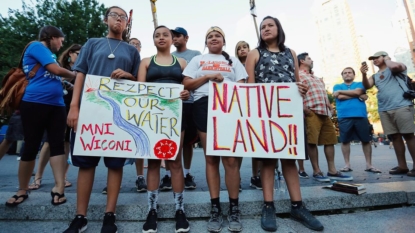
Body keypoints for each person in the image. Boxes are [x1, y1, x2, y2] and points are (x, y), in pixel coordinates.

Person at [64, 6, 140, 233]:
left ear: (127, 23)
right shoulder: (92, 43)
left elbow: (138, 84)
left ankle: (110, 215)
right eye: (115, 15)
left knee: (115, 165)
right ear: (106, 19)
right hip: (90, 111)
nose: (119, 19)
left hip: (118, 114)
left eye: (123, 17)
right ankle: (80, 216)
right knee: (86, 165)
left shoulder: (132, 51)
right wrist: (74, 106)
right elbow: (80, 75)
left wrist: (129, 75)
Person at [245, 16, 323, 232]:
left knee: (290, 159)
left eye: (270, 25)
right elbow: (250, 84)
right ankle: (268, 205)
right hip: (265, 112)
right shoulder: (255, 53)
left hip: (290, 113)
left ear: (279, 29)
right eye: (262, 27)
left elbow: (297, 81)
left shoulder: (291, 53)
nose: (266, 29)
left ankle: (297, 206)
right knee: (268, 161)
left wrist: (302, 90)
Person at [4, 25, 77, 207]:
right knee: (31, 145)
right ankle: (22, 190)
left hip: (57, 105)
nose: (61, 44)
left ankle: (59, 188)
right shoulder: (36, 47)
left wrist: (74, 86)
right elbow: (57, 71)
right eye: (61, 40)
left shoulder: (49, 55)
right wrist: (76, 74)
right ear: (52, 37)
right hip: (35, 103)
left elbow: (55, 78)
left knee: (57, 145)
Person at [183, 26, 245, 232]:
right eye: (210, 36)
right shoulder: (197, 60)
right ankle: (215, 207)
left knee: (230, 158)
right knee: (211, 157)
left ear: (224, 41)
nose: (213, 38)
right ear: (206, 42)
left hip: (229, 105)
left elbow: (243, 86)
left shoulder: (233, 61)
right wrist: (208, 77)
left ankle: (234, 208)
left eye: (218, 35)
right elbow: (188, 84)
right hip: (203, 105)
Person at [138, 25, 190, 233]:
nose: (161, 38)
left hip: (176, 117)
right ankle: (152, 210)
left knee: (175, 161)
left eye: (165, 35)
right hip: (152, 116)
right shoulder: (146, 62)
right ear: (153, 40)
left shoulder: (183, 62)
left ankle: (180, 209)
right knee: (152, 162)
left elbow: (187, 86)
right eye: (157, 35)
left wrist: (186, 93)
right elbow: (139, 90)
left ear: (172, 39)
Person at [28, 43, 82, 190]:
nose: (81, 57)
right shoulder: (57, 65)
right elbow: (57, 81)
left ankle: (62, 177)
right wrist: (72, 76)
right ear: (70, 53)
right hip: (58, 105)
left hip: (74, 108)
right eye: (78, 53)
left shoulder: (83, 69)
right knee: (48, 143)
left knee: (67, 144)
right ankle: (38, 177)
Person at [157, 26, 202, 191]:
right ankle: (168, 175)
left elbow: (196, 78)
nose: (174, 38)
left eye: (177, 36)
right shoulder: (169, 56)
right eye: (172, 36)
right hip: (169, 105)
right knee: (169, 141)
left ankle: (187, 173)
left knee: (188, 142)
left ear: (186, 37)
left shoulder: (196, 55)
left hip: (189, 102)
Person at [298, 52, 353, 183]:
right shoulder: (298, 76)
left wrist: (329, 106)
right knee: (312, 142)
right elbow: (295, 94)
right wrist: (306, 110)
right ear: (301, 61)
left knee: (330, 141)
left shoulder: (316, 77)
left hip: (324, 113)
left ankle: (332, 170)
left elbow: (322, 93)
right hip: (312, 112)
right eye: (309, 58)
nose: (312, 60)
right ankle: (317, 171)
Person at [361, 51, 415, 177]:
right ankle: (402, 166)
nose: (374, 60)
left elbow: (395, 67)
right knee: (395, 137)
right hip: (384, 109)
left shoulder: (396, 67)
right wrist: (364, 74)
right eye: (372, 59)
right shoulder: (375, 76)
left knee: (409, 135)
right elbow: (367, 86)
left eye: (377, 58)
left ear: (385, 57)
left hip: (402, 106)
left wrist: (387, 59)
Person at [333, 67, 381, 173]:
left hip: (361, 116)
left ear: (354, 75)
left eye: (350, 72)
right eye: (345, 73)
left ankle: (369, 165)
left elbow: (357, 91)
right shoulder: (337, 86)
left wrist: (353, 93)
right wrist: (358, 96)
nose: (347, 74)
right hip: (344, 116)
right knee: (345, 141)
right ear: (342, 76)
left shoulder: (360, 84)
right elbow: (340, 97)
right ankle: (347, 165)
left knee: (366, 140)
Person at [235, 40, 262, 189]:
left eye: (245, 47)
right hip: (239, 107)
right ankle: (236, 177)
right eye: (239, 48)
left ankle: (255, 176)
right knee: (238, 144)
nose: (242, 50)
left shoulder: (257, 64)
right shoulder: (233, 65)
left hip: (255, 106)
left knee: (256, 144)